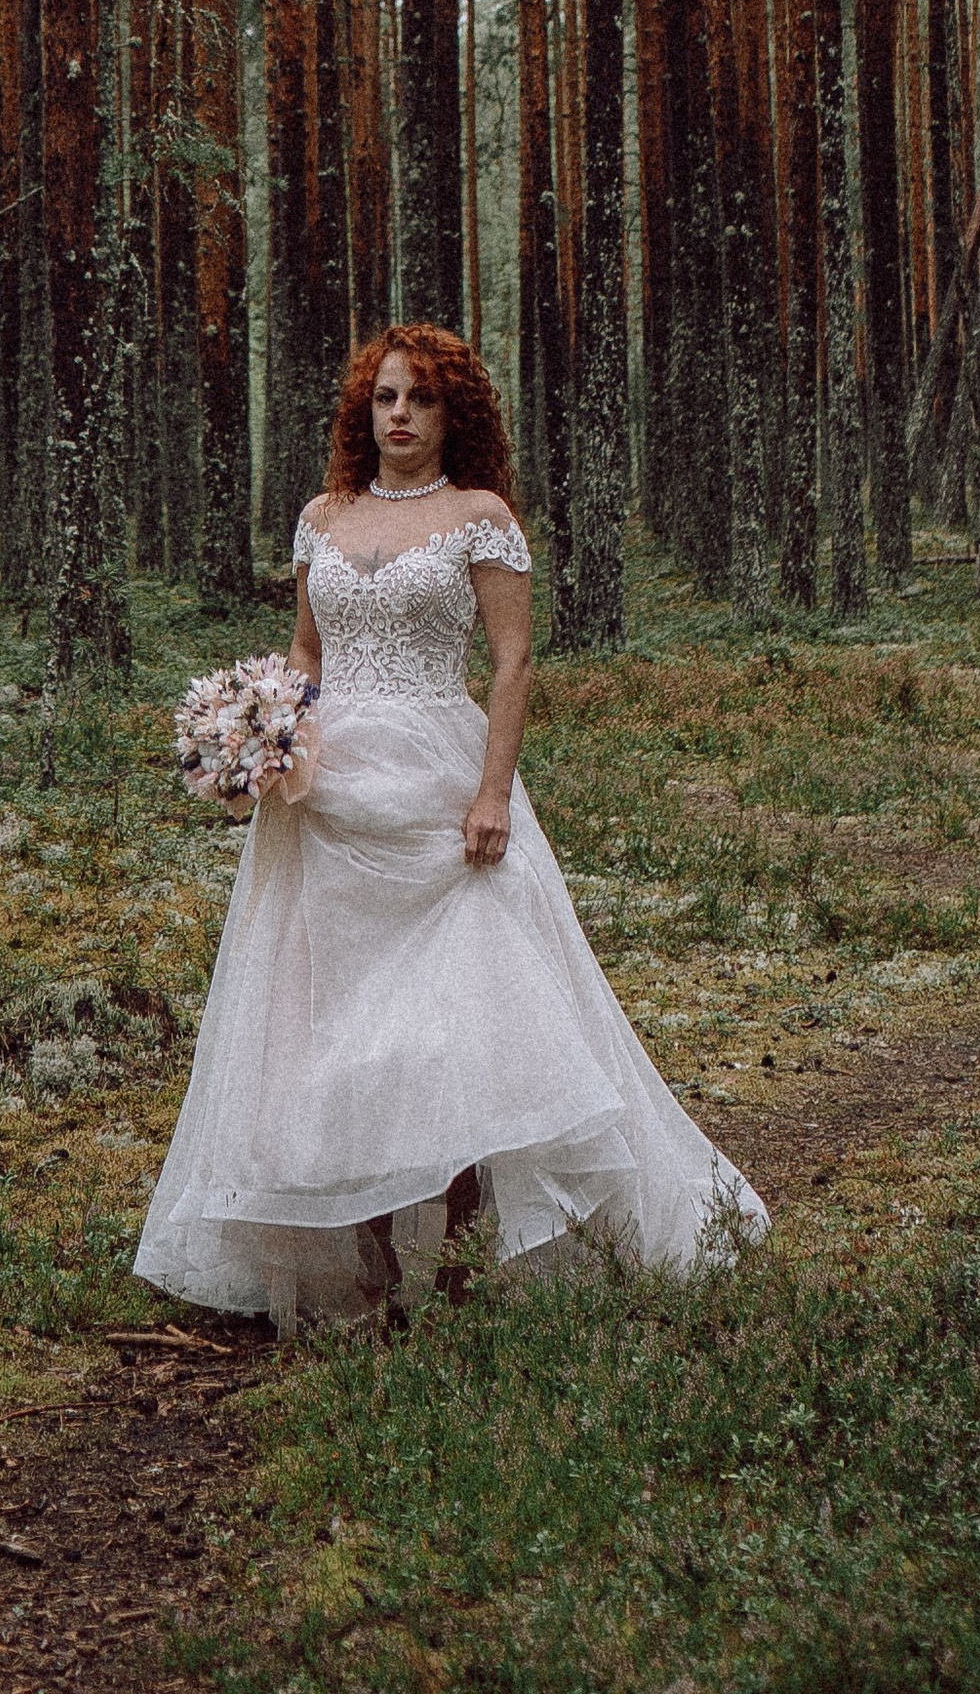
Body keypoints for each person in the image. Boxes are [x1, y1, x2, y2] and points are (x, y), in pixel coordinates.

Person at [134, 322, 767, 1329]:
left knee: (455, 1037)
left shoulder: (479, 517)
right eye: (385, 397)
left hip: (441, 784)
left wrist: (489, 794)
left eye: (421, 400)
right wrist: (258, 737)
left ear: (451, 414)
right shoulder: (323, 518)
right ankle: (373, 1273)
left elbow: (512, 663)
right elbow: (307, 650)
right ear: (363, 410)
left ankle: (465, 1268)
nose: (399, 416)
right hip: (330, 796)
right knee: (337, 1036)